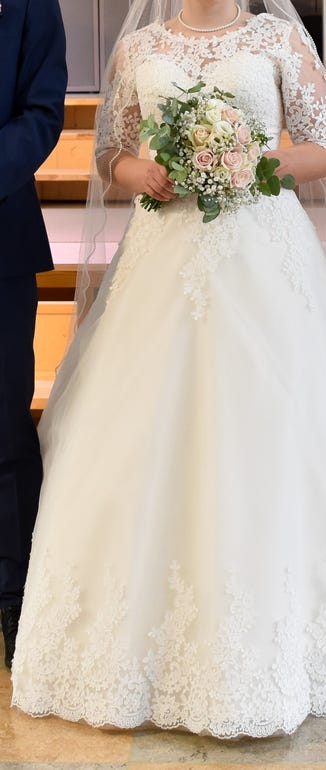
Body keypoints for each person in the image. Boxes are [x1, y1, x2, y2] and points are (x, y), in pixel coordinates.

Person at [11, 0, 326, 737]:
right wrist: (142, 171)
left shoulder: (279, 39)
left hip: (264, 253)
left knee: (278, 431)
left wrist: (254, 162)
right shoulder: (138, 50)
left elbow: (324, 148)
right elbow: (110, 152)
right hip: (163, 258)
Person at [0, 0, 67, 669]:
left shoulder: (30, 6)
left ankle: (15, 596)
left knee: (4, 425)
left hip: (2, 241)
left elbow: (42, 113)